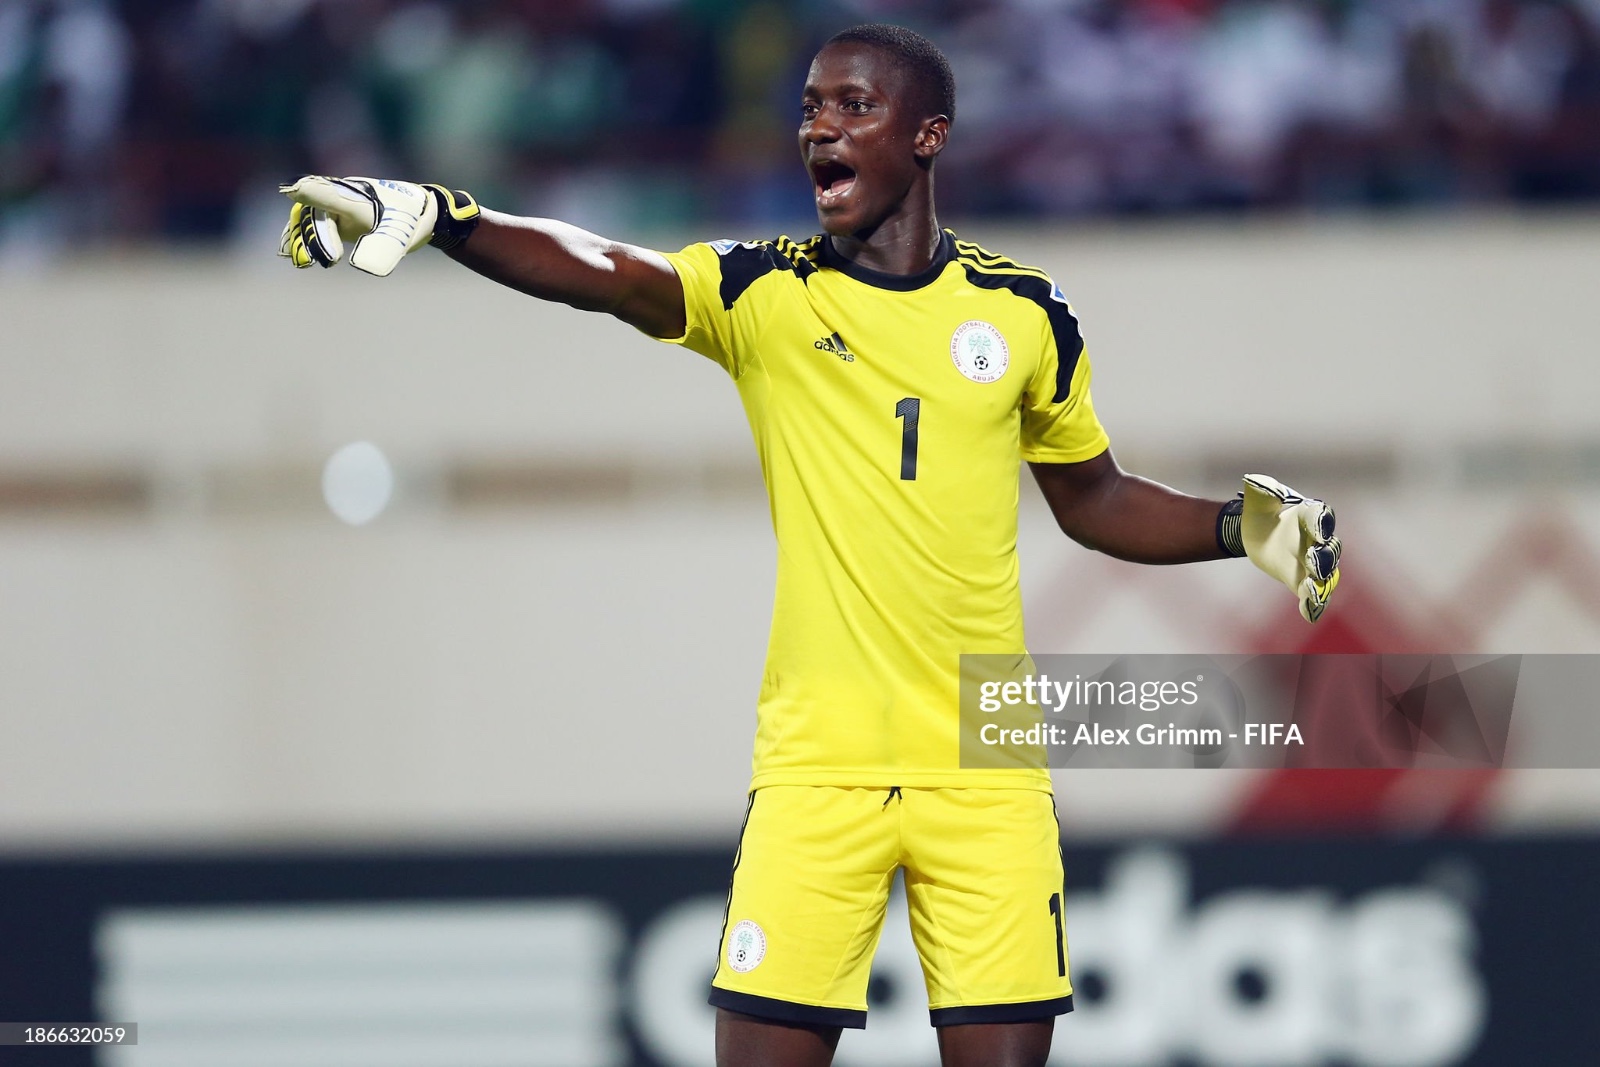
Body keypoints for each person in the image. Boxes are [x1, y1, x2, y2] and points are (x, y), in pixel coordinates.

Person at [278, 23, 1340, 1067]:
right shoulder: (762, 293)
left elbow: (1093, 498)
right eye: (809, 108)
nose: (818, 128)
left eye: (853, 106)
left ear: (927, 136)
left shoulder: (1025, 316)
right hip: (815, 774)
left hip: (987, 770)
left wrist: (1237, 526)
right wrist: (440, 217)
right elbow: (603, 266)